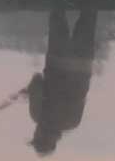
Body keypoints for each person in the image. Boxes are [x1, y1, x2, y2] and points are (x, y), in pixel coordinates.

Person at [27, 8, 98, 156]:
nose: (34, 133)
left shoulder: (73, 122)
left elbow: (79, 97)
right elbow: (37, 80)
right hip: (58, 61)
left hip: (82, 64)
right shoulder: (37, 115)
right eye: (36, 137)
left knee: (89, 15)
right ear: (40, 136)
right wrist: (30, 90)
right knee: (57, 14)